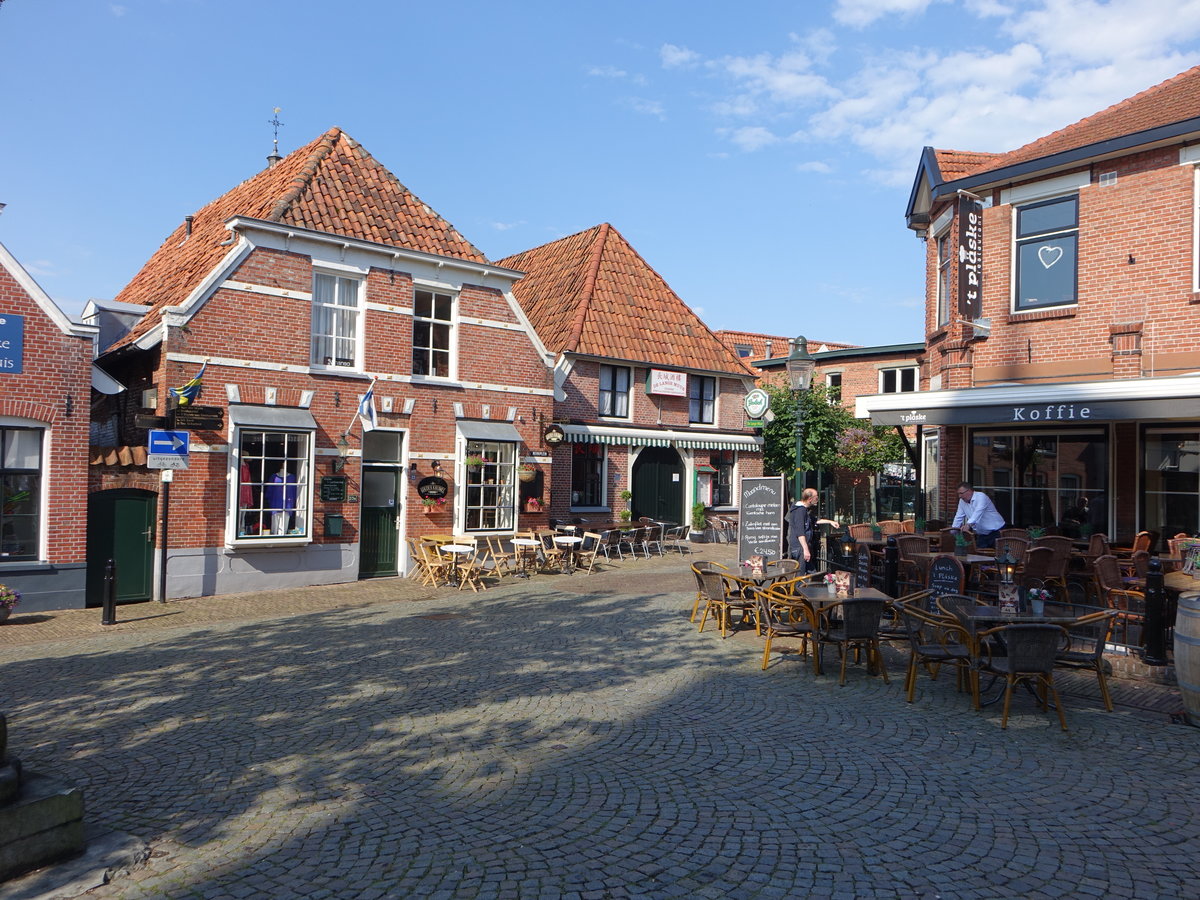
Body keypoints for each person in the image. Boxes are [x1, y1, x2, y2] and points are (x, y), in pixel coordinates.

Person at [786, 488, 840, 572]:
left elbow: (815, 520)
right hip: (800, 548)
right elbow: (800, 532)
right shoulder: (800, 511)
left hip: (802, 548)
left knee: (811, 573)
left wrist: (830, 522)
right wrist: (805, 550)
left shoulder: (804, 510)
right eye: (816, 498)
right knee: (801, 576)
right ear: (810, 499)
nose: (818, 500)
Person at [951, 481, 1006, 549]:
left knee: (999, 556)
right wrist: (952, 530)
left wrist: (968, 525)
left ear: (969, 491)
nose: (960, 496)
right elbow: (958, 517)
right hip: (982, 534)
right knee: (980, 555)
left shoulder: (981, 497)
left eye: (961, 493)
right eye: (958, 494)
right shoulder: (962, 501)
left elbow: (978, 513)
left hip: (997, 531)